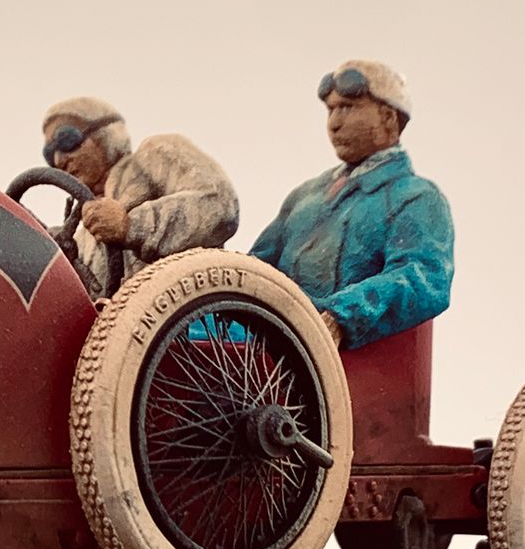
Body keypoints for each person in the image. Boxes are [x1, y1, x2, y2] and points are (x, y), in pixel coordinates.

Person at [249, 60, 454, 350]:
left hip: (337, 360)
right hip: (265, 342)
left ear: (387, 117)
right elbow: (253, 270)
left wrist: (343, 315)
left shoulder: (416, 198)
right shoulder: (306, 196)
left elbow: (423, 278)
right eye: (330, 110)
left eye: (347, 108)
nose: (334, 123)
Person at [42, 97, 238, 298]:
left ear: (104, 132)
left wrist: (130, 226)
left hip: (187, 306)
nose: (58, 160)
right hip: (125, 316)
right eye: (49, 154)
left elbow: (219, 204)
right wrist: (65, 263)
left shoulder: (153, 153)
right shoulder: (83, 234)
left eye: (67, 140)